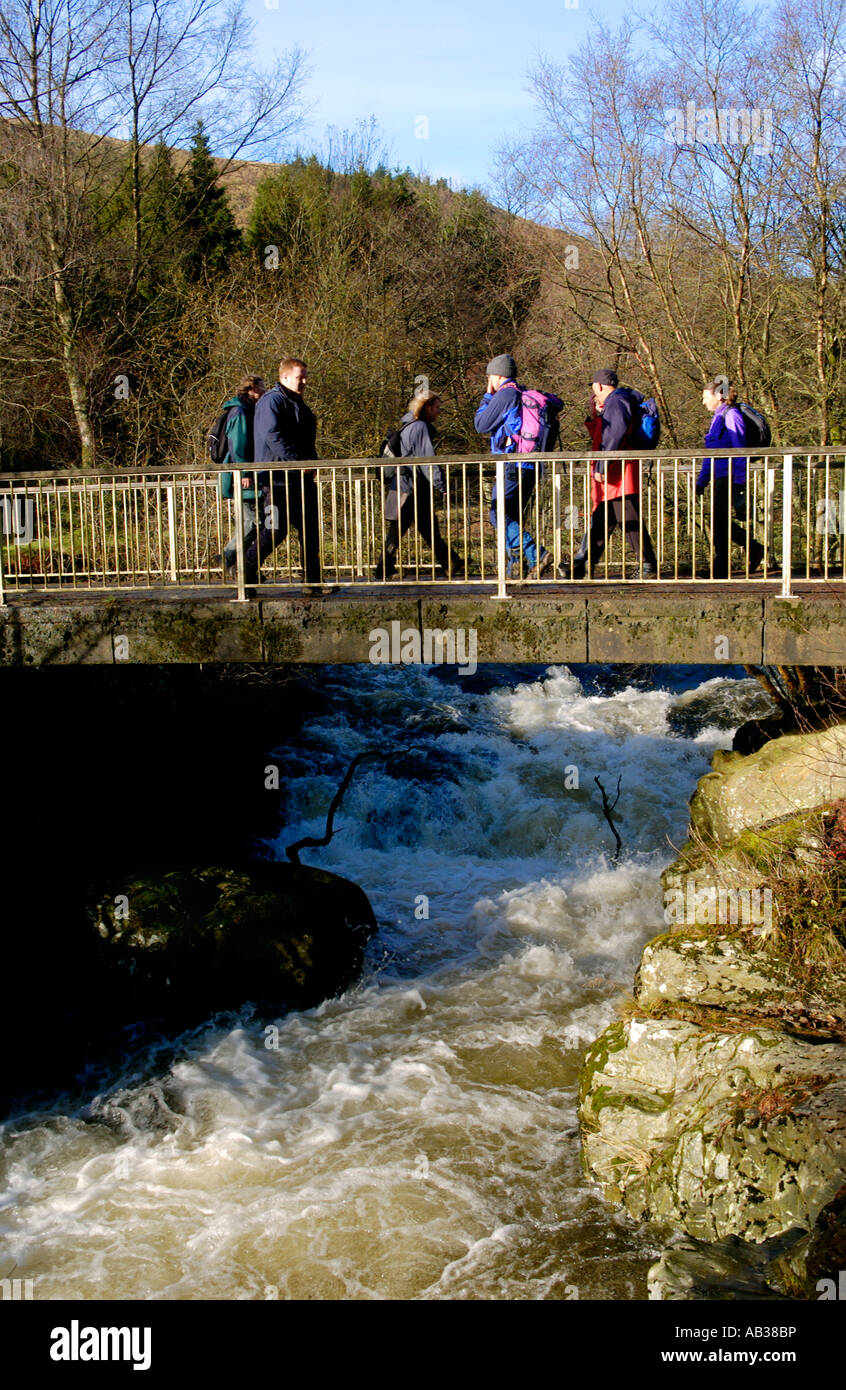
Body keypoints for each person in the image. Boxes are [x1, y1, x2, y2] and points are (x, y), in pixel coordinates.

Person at [474, 353, 562, 579]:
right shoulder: (522, 392)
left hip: (512, 464)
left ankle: (537, 554)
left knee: (497, 515)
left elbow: (481, 425)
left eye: (490, 376)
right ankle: (516, 567)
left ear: (496, 375)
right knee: (512, 516)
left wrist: (487, 396)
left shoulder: (506, 394)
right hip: (531, 465)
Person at [564, 368, 658, 580]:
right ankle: (584, 563)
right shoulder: (620, 400)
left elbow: (614, 434)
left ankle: (647, 563)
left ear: (598, 386)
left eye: (594, 389)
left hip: (617, 469)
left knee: (625, 513)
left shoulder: (616, 402)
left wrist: (602, 466)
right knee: (605, 516)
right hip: (618, 466)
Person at [245, 357, 328, 593]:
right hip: (276, 479)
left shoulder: (297, 403)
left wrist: (310, 464)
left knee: (309, 529)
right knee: (275, 530)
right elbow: (273, 436)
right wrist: (300, 462)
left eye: (305, 376)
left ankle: (312, 582)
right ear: (284, 377)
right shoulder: (271, 402)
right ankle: (245, 571)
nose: (304, 381)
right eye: (300, 376)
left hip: (300, 478)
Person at [374, 390, 463, 580]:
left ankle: (451, 562)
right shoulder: (420, 426)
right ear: (427, 407)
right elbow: (427, 459)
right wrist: (441, 484)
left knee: (423, 528)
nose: (439, 412)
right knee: (405, 529)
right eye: (437, 407)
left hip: (403, 485)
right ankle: (383, 569)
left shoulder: (407, 426)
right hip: (412, 488)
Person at [696, 376, 764, 578]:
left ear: (718, 396)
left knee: (718, 522)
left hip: (730, 476)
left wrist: (740, 481)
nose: (703, 401)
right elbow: (712, 453)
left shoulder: (731, 415)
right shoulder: (718, 417)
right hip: (720, 477)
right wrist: (702, 480)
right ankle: (748, 551)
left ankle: (722, 566)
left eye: (705, 396)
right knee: (719, 521)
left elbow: (740, 449)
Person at [219, 375, 265, 578]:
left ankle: (241, 567)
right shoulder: (240, 412)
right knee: (255, 523)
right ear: (252, 389)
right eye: (261, 388)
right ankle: (231, 558)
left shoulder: (244, 409)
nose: (264, 392)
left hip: (245, 473)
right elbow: (238, 445)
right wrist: (244, 471)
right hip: (243, 475)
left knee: (254, 522)